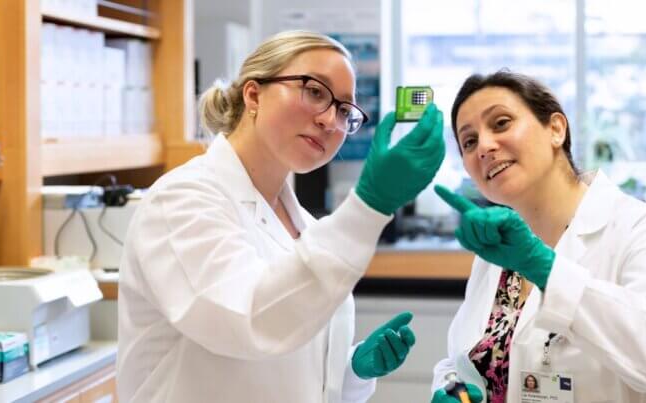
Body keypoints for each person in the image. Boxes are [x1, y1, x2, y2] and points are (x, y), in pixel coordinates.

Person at [117, 30, 446, 403]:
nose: (329, 121)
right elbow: (248, 320)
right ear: (254, 94)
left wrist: (351, 371)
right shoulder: (182, 200)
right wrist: (370, 204)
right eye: (315, 91)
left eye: (343, 110)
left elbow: (291, 365)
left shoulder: (302, 223)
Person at [430, 70, 646, 403]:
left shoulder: (644, 231)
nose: (483, 146)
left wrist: (544, 267)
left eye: (500, 123)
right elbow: (465, 359)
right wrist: (453, 390)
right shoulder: (496, 253)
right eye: (468, 142)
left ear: (556, 129)